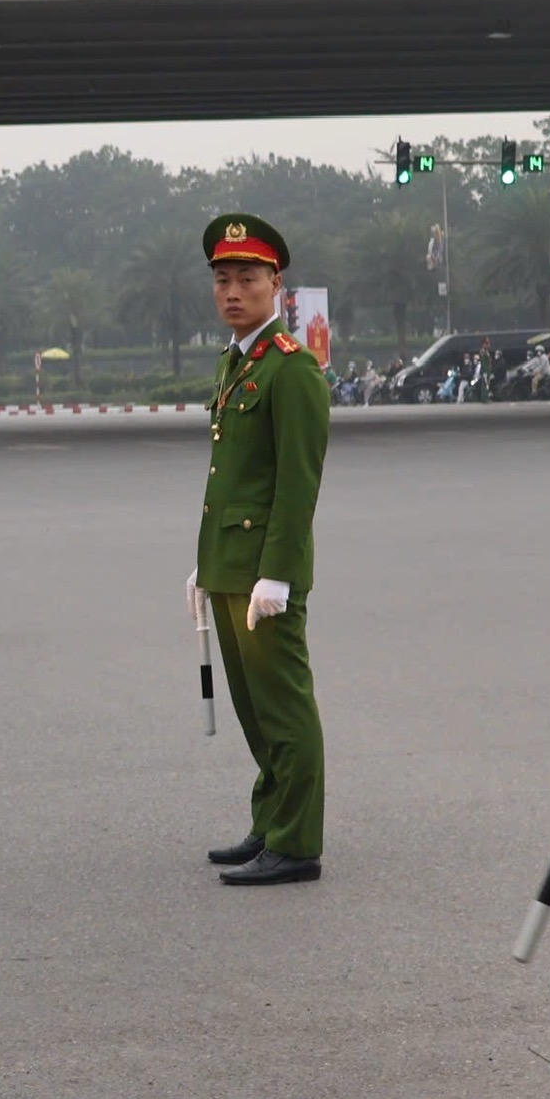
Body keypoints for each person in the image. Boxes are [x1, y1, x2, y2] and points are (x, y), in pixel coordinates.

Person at [187, 214, 329, 887]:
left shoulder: (292, 371)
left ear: (277, 283)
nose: (233, 290)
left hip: (265, 573)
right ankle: (270, 822)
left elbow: (296, 484)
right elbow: (232, 480)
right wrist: (206, 561)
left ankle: (297, 842)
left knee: (283, 705)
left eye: (247, 277)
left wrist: (276, 572)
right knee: (251, 706)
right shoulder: (235, 362)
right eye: (223, 279)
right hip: (231, 566)